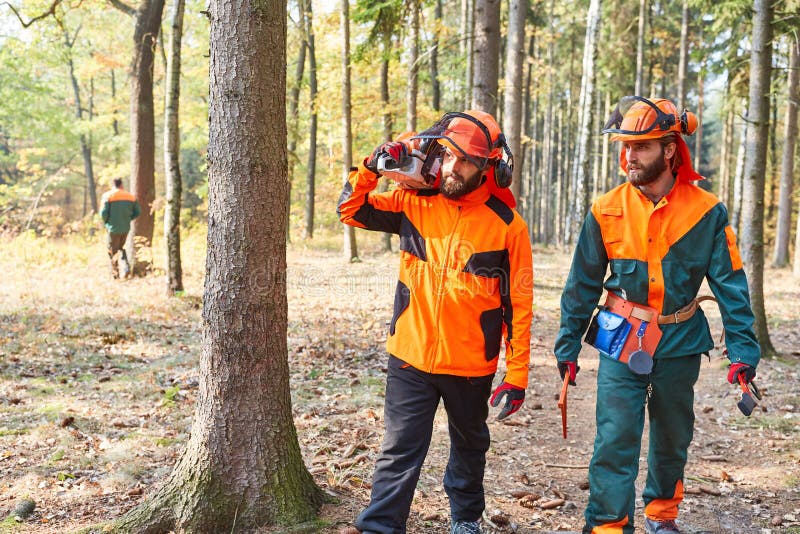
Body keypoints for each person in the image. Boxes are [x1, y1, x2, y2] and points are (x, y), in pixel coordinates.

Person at [553, 96, 761, 534]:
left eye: (641, 147)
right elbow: (581, 287)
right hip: (619, 337)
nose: (629, 156)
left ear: (669, 150)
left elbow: (732, 288)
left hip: (680, 341)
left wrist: (743, 352)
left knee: (671, 436)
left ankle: (661, 515)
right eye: (625, 146)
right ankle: (609, 525)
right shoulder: (605, 208)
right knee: (615, 436)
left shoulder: (706, 211)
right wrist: (567, 349)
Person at [337, 110, 534, 534]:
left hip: (470, 363)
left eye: (467, 161)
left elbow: (519, 305)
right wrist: (373, 166)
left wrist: (516, 374)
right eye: (448, 156)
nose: (454, 168)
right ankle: (380, 526)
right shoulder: (413, 203)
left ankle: (465, 519)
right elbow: (350, 210)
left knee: (470, 444)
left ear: (490, 167)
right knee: (400, 447)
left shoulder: (508, 227)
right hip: (410, 353)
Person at [100, 178, 140, 279]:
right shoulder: (130, 196)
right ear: (121, 185)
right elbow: (138, 212)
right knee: (121, 248)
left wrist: (107, 222)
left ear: (113, 185)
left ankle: (115, 275)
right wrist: (127, 219)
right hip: (125, 228)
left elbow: (103, 213)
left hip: (112, 228)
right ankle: (126, 267)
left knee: (112, 251)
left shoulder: (107, 196)